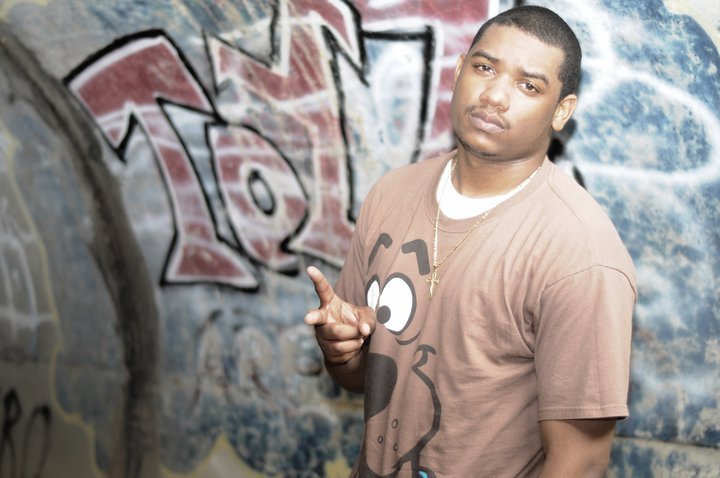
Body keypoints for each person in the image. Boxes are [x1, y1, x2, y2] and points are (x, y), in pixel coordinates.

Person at [304, 5, 636, 477]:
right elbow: (361, 378)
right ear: (459, 70)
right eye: (484, 68)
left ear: (561, 111)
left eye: (528, 85)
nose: (495, 95)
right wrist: (340, 349)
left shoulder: (580, 252)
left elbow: (580, 462)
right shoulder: (391, 194)